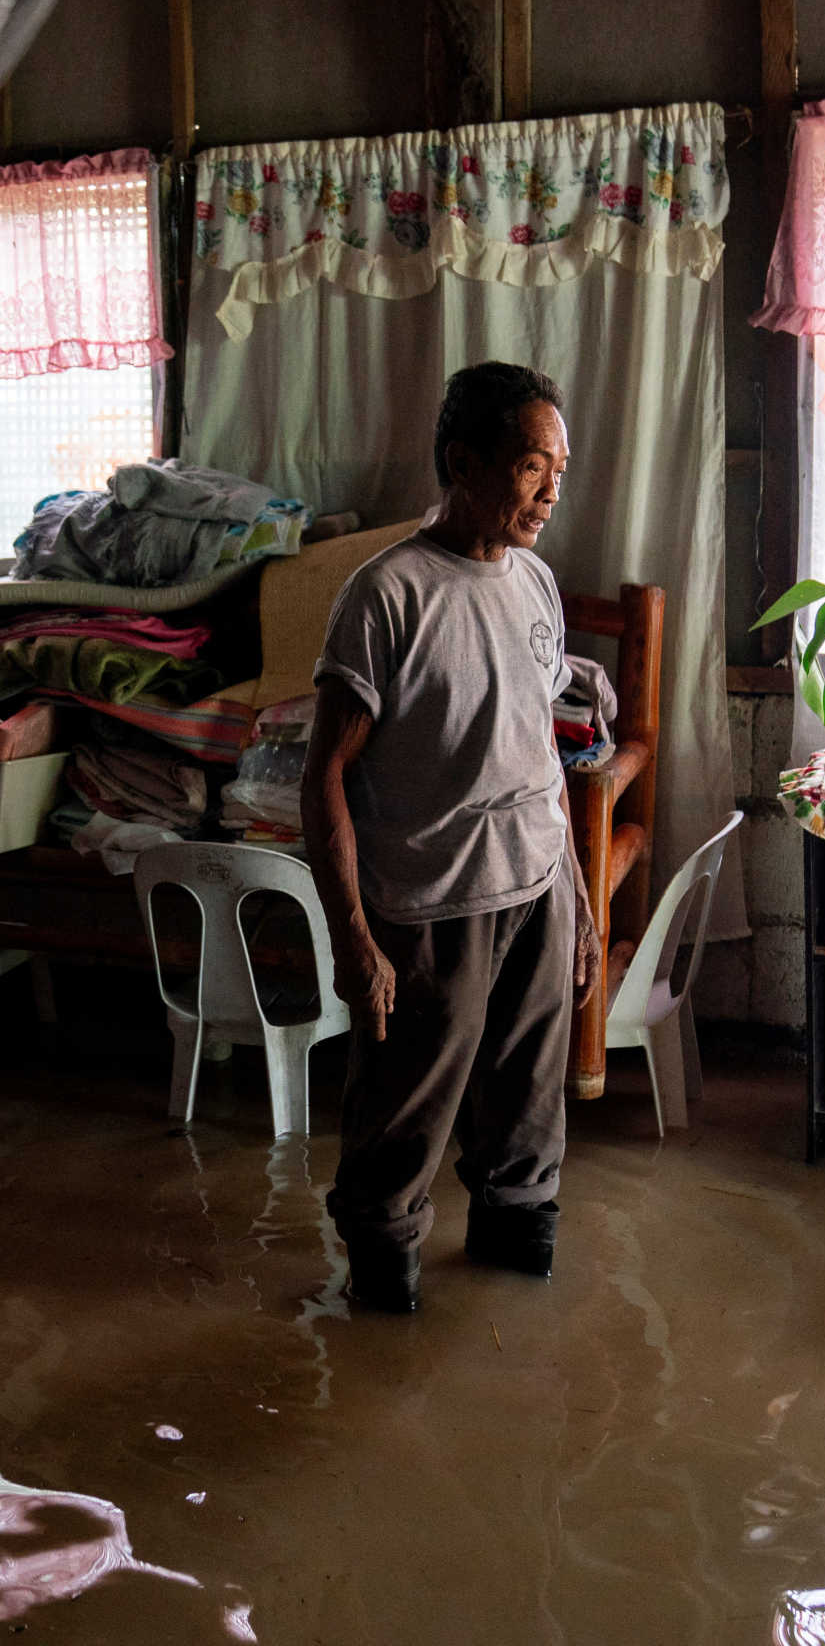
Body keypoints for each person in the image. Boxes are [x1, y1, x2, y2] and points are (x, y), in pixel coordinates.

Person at [302, 361, 598, 1314]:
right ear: (463, 462)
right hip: (433, 905)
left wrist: (581, 899)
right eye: (529, 467)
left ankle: (514, 1316)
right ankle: (382, 1325)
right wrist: (354, 939)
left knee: (528, 1123)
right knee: (400, 1125)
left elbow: (541, 751)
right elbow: (324, 779)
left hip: (539, 886)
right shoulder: (386, 595)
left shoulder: (538, 585)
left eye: (558, 467)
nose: (551, 491)